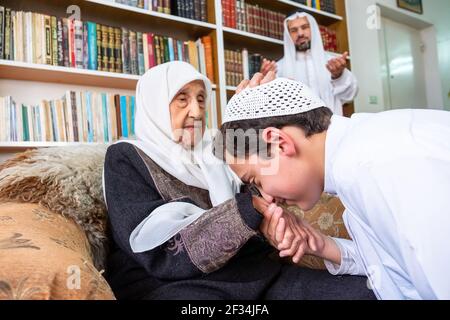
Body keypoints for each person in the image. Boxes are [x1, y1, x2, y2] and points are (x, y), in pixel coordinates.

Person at [102, 61, 375, 300]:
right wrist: (250, 210)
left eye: (201, 99)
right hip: (177, 286)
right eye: (182, 99)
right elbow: (155, 251)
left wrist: (252, 116)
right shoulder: (126, 156)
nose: (197, 112)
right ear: (155, 103)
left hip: (253, 273)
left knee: (366, 292)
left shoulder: (214, 148)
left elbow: (259, 180)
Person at [215, 74, 450, 300]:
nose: (269, 199)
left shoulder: (373, 166)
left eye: (256, 181)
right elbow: (396, 265)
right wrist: (322, 245)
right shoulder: (358, 152)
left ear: (279, 143)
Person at [260, 12, 357, 116]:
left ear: (313, 29)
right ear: (288, 35)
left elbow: (350, 95)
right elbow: (270, 106)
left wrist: (338, 76)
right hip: (297, 130)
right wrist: (265, 82)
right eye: (294, 30)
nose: (300, 33)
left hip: (332, 127)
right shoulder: (278, 68)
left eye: (305, 27)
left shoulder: (333, 63)